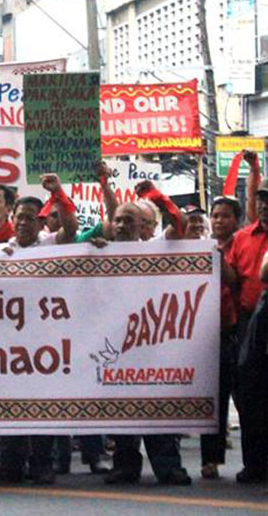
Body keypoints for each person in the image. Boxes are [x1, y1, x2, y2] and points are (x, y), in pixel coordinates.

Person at [0, 174, 77, 485]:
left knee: (42, 404)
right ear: (11, 220)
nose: (24, 223)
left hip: (44, 339)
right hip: (8, 341)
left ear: (41, 224)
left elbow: (71, 229)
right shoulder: (1, 250)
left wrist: (58, 193)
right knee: (11, 404)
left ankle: (42, 464)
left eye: (30, 218)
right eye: (19, 218)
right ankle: (10, 464)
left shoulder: (52, 245)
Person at [96, 203, 192, 486]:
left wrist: (155, 196)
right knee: (121, 406)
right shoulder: (100, 252)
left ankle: (168, 466)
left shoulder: (155, 248)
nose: (122, 225)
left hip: (151, 341)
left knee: (156, 403)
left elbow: (181, 222)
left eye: (129, 220)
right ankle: (125, 465)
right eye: (118, 220)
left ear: (143, 226)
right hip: (116, 344)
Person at [223, 177, 268, 484]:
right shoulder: (242, 238)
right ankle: (254, 463)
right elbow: (233, 278)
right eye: (262, 200)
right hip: (251, 323)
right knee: (250, 396)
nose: (265, 206)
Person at [199, 196, 242, 480]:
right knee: (212, 398)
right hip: (206, 331)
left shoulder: (241, 245)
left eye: (225, 216)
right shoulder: (198, 245)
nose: (219, 220)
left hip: (236, 329)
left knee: (246, 397)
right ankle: (211, 460)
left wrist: (219, 257)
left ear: (235, 220)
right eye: (215, 215)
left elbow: (234, 280)